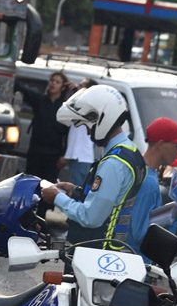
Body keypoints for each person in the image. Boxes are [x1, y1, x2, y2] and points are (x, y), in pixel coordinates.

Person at [43, 85, 146, 249]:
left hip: (96, 253)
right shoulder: (130, 151)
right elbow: (113, 198)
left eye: (88, 126)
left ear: (103, 118)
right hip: (108, 250)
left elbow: (91, 217)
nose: (89, 133)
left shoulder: (114, 163)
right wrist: (76, 191)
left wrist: (57, 197)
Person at [126, 116, 177, 255]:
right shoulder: (149, 182)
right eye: (176, 146)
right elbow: (141, 234)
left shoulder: (140, 169)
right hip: (139, 261)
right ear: (161, 144)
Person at [17, 71, 74, 181]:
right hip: (35, 152)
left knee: (48, 186)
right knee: (31, 183)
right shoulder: (40, 100)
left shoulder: (65, 107)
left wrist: (64, 155)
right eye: (52, 81)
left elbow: (69, 134)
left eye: (57, 82)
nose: (53, 84)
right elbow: (22, 89)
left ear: (62, 87)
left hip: (53, 156)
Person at [62, 77, 98, 186]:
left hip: (81, 157)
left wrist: (74, 92)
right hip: (78, 157)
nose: (78, 88)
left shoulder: (88, 108)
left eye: (81, 86)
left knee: (77, 191)